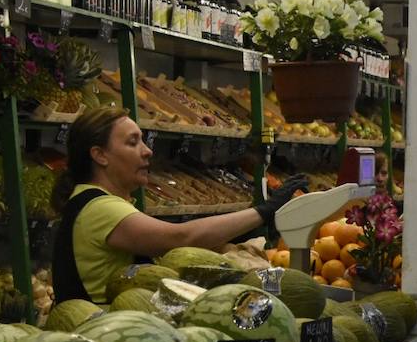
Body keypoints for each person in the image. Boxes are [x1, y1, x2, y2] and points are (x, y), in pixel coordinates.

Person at [51, 108, 306, 303]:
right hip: (104, 337)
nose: (147, 151)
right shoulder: (99, 207)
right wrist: (263, 211)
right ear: (100, 155)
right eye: (132, 142)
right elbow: (181, 237)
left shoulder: (95, 201)